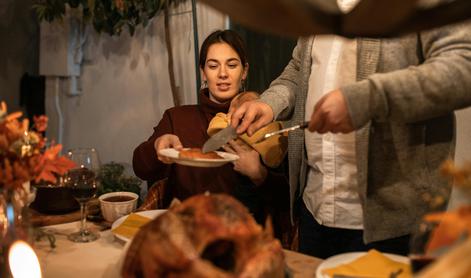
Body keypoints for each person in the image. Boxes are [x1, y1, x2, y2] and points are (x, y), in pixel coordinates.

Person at [230, 18, 471, 259]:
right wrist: (269, 103)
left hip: (392, 222)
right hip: (314, 208)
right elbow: (299, 68)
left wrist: (365, 98)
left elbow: (463, 67)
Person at [132, 30, 289, 230]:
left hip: (242, 237)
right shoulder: (177, 118)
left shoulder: (263, 119)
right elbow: (140, 168)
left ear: (245, 71)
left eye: (232, 65)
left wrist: (258, 174)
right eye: (213, 66)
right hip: (184, 232)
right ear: (203, 73)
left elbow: (287, 201)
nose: (223, 74)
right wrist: (157, 146)